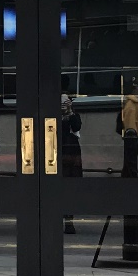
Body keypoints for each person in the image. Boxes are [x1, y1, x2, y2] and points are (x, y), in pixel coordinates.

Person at [117, 78, 138, 178]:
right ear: (135, 88)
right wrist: (136, 135)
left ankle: (131, 180)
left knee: (129, 163)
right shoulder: (132, 105)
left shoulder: (137, 103)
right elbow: (130, 124)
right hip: (133, 137)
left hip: (135, 136)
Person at [59, 93, 83, 233]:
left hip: (72, 154)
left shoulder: (74, 115)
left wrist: (70, 112)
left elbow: (77, 127)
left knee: (70, 187)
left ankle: (69, 220)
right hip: (60, 154)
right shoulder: (54, 117)